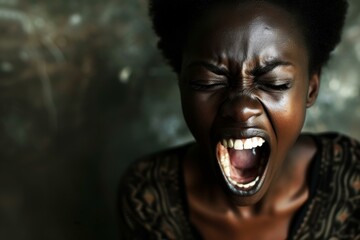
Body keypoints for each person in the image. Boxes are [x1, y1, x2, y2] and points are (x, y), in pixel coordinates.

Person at [118, 0, 360, 239]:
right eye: (208, 82)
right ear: (182, 84)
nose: (241, 109)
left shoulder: (352, 182)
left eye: (275, 82)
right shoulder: (148, 197)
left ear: (311, 88)